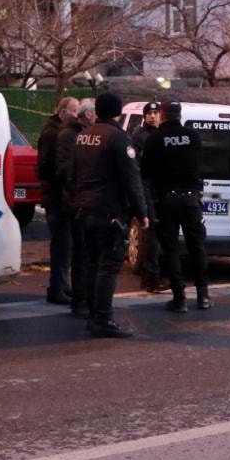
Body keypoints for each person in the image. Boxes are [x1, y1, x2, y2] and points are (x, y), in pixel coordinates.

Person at [73, 92, 148, 338]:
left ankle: (92, 315)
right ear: (117, 112)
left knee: (92, 264)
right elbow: (131, 179)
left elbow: (73, 172)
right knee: (108, 267)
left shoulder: (83, 136)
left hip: (84, 209)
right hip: (109, 212)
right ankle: (103, 319)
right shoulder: (118, 138)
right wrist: (142, 212)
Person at [142, 99, 211, 312]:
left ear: (162, 114)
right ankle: (203, 296)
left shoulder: (155, 139)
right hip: (190, 199)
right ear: (179, 114)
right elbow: (200, 165)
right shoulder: (193, 136)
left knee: (170, 249)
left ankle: (179, 298)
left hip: (166, 200)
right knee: (196, 246)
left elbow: (145, 172)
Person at [37, 97, 78, 305]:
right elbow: (46, 165)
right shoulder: (53, 134)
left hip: (57, 195)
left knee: (65, 244)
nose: (76, 115)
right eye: (74, 111)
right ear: (62, 112)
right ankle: (57, 288)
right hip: (56, 197)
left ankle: (61, 284)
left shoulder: (56, 131)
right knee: (61, 244)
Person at [56, 99, 94, 317]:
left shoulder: (81, 134)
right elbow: (66, 170)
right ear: (88, 115)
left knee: (84, 252)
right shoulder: (69, 135)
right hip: (76, 201)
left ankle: (83, 297)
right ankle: (80, 300)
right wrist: (79, 192)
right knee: (80, 252)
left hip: (81, 200)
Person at [131, 101, 166, 293]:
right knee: (150, 235)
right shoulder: (139, 136)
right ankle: (150, 277)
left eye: (155, 113)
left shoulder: (161, 134)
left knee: (156, 236)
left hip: (158, 190)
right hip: (147, 189)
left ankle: (154, 275)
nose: (152, 116)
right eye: (149, 113)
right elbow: (137, 166)